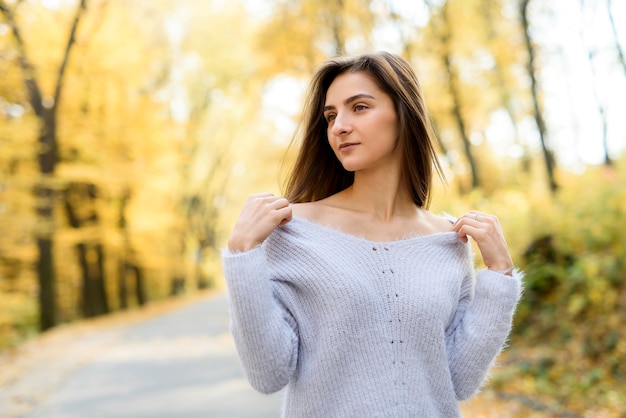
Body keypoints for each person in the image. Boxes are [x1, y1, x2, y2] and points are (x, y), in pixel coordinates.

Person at [222, 51, 522, 417]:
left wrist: (500, 276)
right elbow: (268, 374)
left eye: (359, 107)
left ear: (403, 113)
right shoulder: (292, 232)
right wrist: (242, 254)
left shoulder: (447, 241)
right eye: (331, 116)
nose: (338, 126)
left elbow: (457, 380)